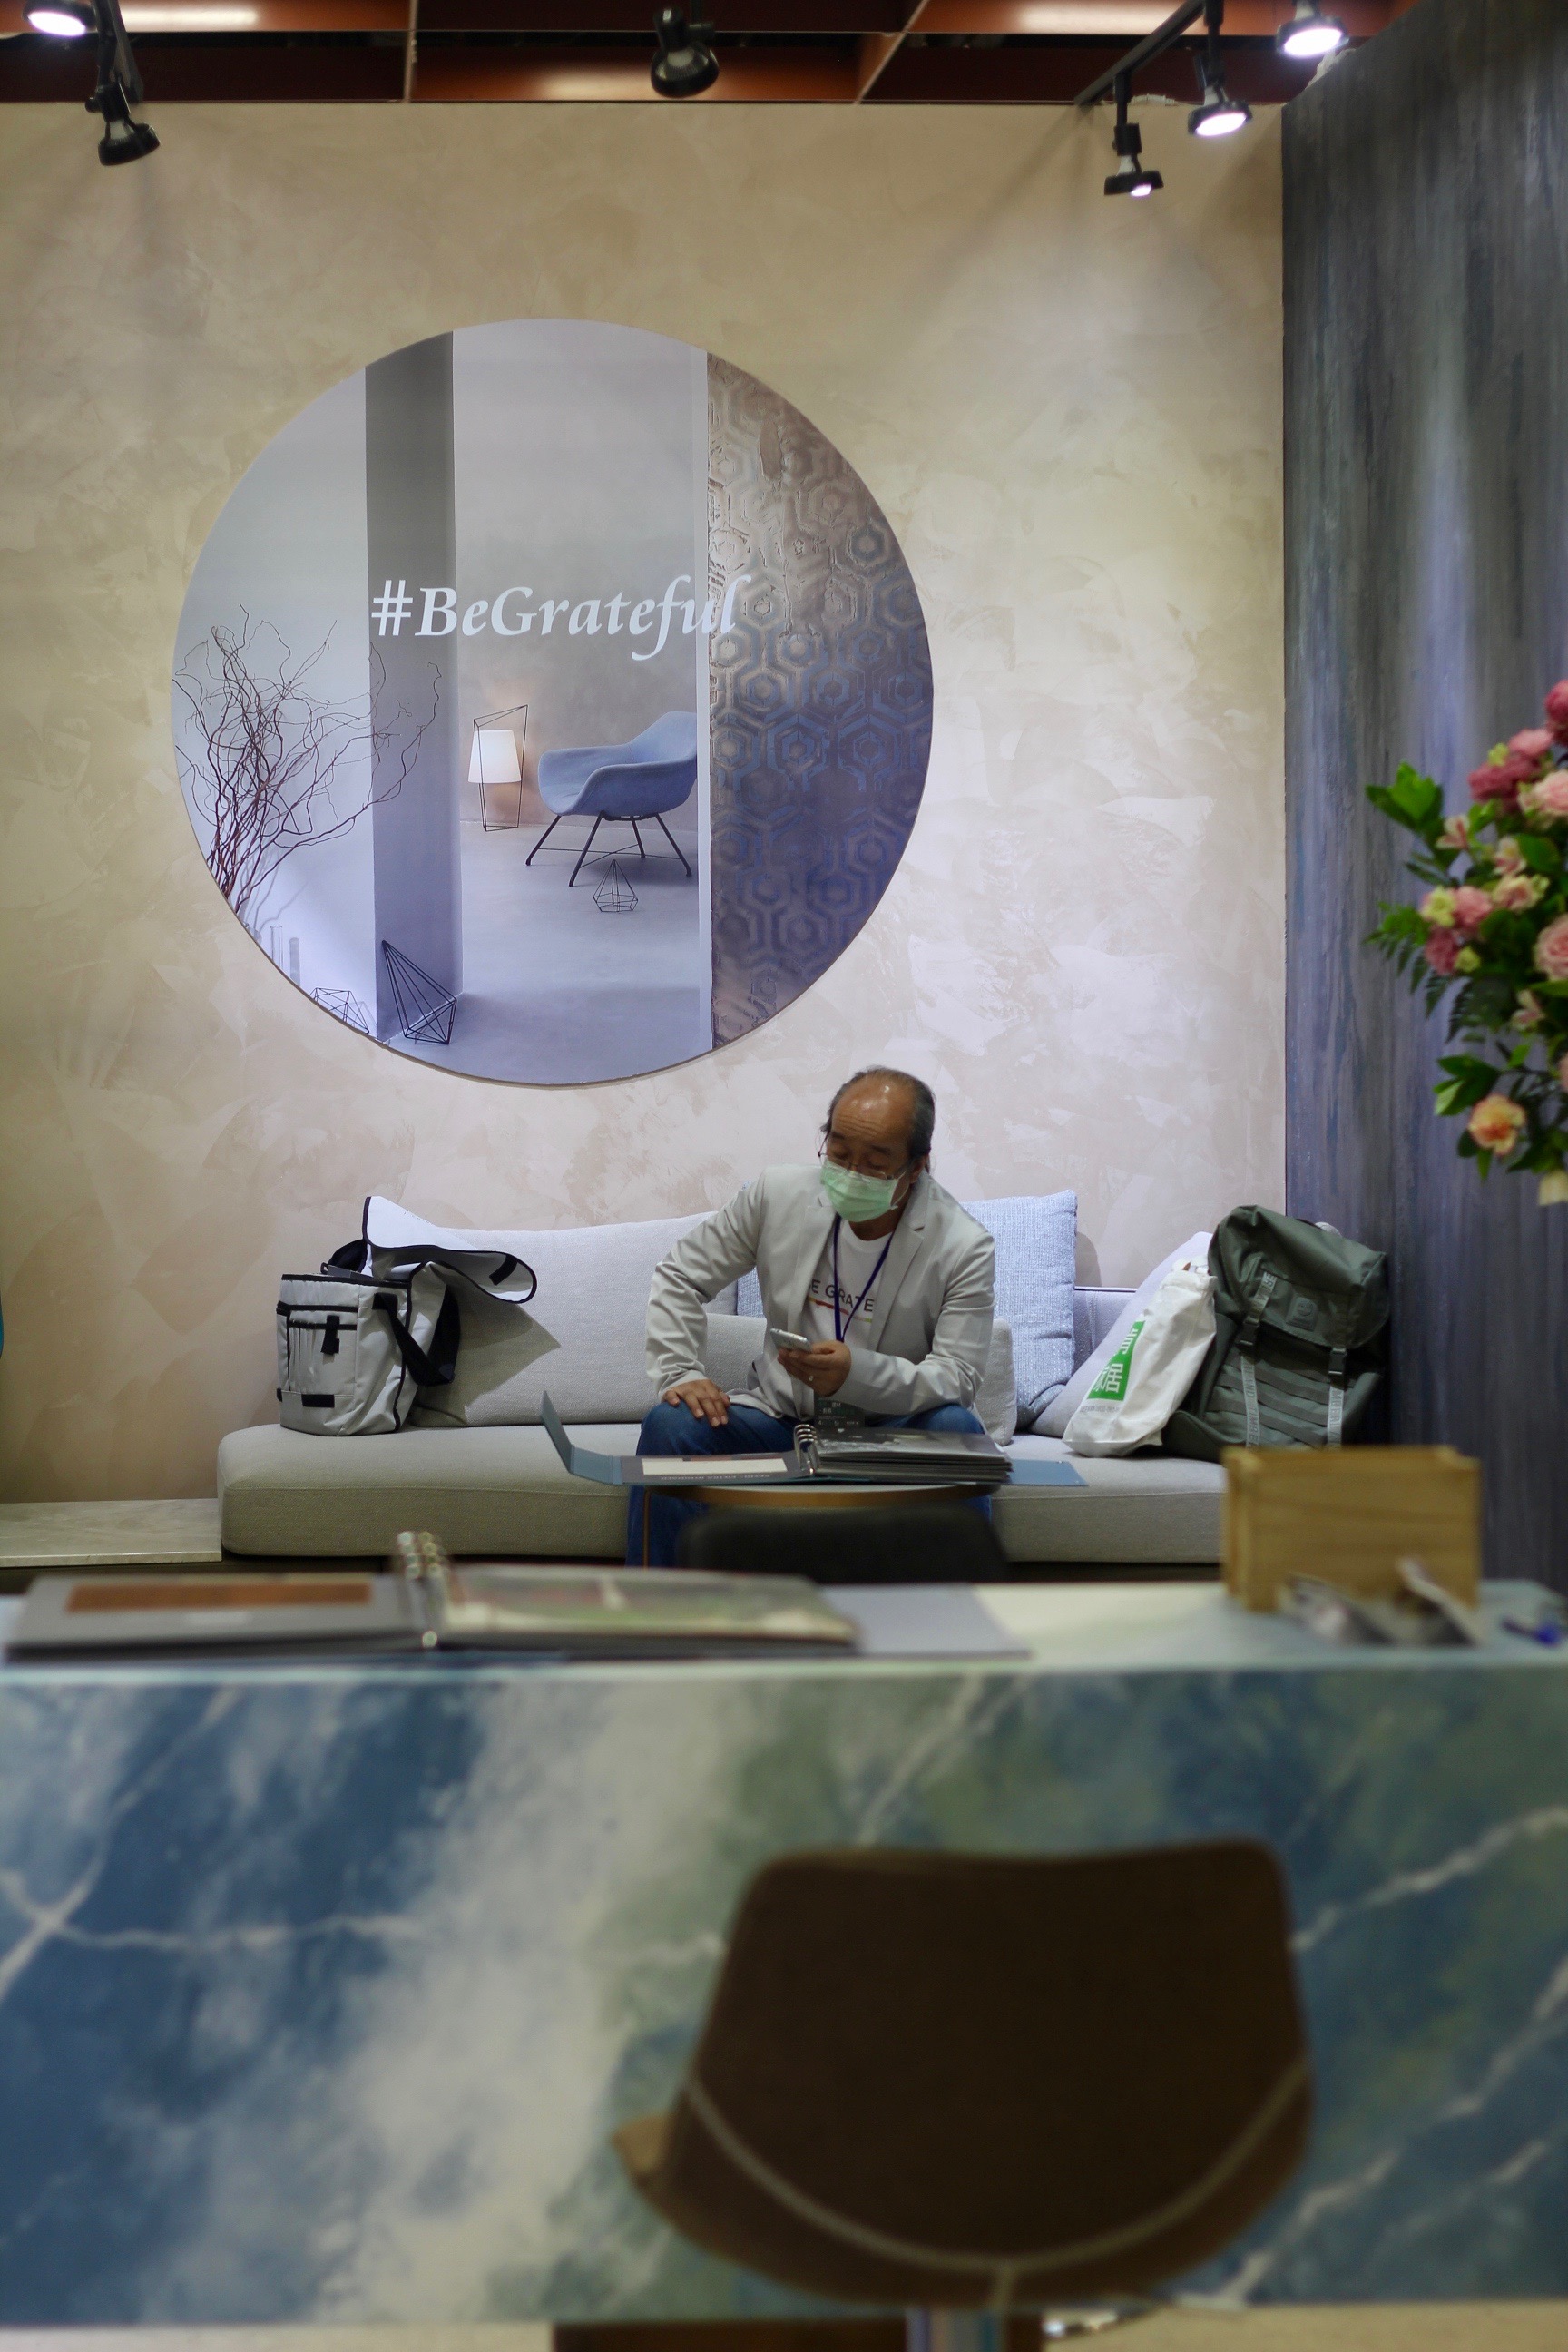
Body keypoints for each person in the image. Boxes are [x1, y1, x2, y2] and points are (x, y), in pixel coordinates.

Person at [630, 1067, 995, 1565]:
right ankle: (661, 1607)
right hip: (781, 1420)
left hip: (886, 1430)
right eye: (839, 1154)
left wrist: (855, 1375)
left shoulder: (963, 1245)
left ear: (917, 1167)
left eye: (875, 1164)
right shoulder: (777, 1195)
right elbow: (680, 1273)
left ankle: (956, 1611)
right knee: (671, 1424)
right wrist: (680, 1370)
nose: (852, 1174)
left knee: (957, 1429)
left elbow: (958, 1376)